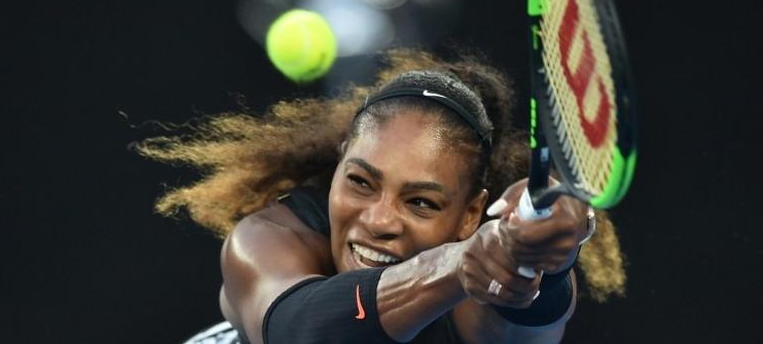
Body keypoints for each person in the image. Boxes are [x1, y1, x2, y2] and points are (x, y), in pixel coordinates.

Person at [137, 49, 626, 343]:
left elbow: (522, 323)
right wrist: (455, 264)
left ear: (470, 214)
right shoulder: (266, 242)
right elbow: (305, 333)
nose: (379, 220)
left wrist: (540, 259)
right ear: (339, 163)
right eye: (361, 182)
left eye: (421, 202)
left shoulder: (479, 297)